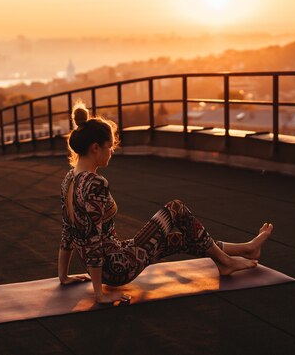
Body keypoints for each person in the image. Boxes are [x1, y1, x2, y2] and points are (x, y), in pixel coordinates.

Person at [58, 102, 274, 304]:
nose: (112, 151)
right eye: (109, 146)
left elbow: (68, 232)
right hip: (115, 266)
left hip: (104, 262)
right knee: (176, 208)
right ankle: (226, 262)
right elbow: (94, 240)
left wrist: (64, 276)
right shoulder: (95, 184)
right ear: (95, 148)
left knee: (177, 238)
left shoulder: (70, 179)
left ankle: (245, 250)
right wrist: (99, 295)